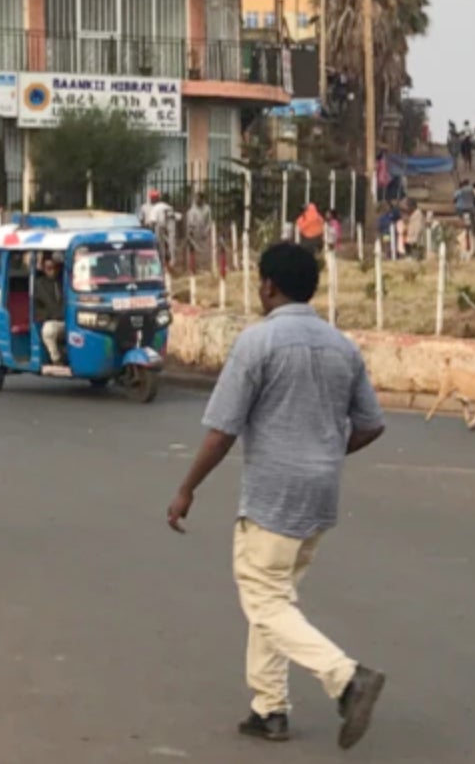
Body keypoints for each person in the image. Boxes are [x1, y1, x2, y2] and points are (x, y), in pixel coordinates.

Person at [166, 244, 388, 749]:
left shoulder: (257, 343)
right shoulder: (341, 346)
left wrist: (186, 489)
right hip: (320, 496)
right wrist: (327, 453)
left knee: (264, 598)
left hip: (273, 495)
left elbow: (221, 431)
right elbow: (372, 424)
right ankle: (269, 708)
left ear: (269, 285)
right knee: (275, 599)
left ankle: (346, 679)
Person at [33, 252, 66, 366]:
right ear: (43, 268)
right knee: (48, 330)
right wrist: (53, 315)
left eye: (55, 267)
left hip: (70, 320)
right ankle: (56, 359)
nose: (53, 271)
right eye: (49, 268)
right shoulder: (39, 285)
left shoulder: (64, 281)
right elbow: (37, 311)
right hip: (53, 321)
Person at [185, 195, 213, 274]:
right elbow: (189, 222)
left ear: (202, 199)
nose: (197, 200)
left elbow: (209, 221)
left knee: (204, 251)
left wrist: (207, 231)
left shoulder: (207, 208)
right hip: (194, 233)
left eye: (198, 199)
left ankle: (204, 268)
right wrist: (190, 231)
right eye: (195, 198)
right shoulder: (192, 210)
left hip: (204, 233)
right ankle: (192, 268)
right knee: (192, 251)